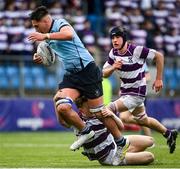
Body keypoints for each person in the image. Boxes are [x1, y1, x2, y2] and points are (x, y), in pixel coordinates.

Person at [28, 6, 129, 158]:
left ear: (45, 21)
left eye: (36, 26)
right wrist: (39, 58)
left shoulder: (60, 24)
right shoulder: (48, 38)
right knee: (61, 105)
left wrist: (46, 36)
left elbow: (68, 35)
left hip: (88, 70)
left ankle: (121, 142)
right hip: (72, 75)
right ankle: (85, 131)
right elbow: (50, 56)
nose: (35, 29)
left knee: (99, 113)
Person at [102, 26, 178, 154]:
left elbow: (159, 56)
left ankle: (112, 144)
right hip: (126, 92)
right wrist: (113, 67)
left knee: (108, 109)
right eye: (113, 38)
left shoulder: (137, 50)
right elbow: (104, 73)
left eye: (118, 37)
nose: (114, 40)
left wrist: (158, 79)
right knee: (143, 120)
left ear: (124, 38)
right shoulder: (113, 53)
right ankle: (169, 133)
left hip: (136, 93)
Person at [72, 96, 155, 166]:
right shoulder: (80, 122)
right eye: (89, 107)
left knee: (150, 141)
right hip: (109, 156)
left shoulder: (99, 112)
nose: (93, 108)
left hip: (115, 143)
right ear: (81, 110)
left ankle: (124, 152)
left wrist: (112, 115)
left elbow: (121, 127)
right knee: (150, 157)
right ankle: (125, 156)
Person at [120, 63, 152, 136]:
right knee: (125, 118)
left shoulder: (141, 61)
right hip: (127, 93)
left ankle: (119, 140)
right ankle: (150, 139)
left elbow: (148, 77)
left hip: (137, 94)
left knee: (123, 117)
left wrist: (136, 80)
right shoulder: (124, 60)